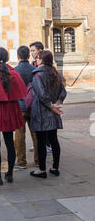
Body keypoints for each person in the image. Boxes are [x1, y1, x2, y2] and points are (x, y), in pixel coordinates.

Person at [0, 48, 27, 185]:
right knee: (10, 142)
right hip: (10, 109)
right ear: (8, 58)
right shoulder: (14, 73)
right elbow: (21, 91)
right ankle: (9, 174)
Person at [30, 50, 67, 179]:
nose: (36, 59)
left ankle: (42, 170)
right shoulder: (55, 73)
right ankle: (55, 167)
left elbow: (41, 94)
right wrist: (57, 103)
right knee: (53, 139)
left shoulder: (38, 75)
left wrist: (51, 106)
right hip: (53, 112)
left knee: (41, 141)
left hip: (41, 112)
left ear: (41, 60)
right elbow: (63, 92)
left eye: (38, 58)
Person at [14, 46, 38, 169]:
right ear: (28, 56)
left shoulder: (14, 71)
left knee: (19, 135)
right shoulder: (35, 69)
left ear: (18, 57)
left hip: (19, 106)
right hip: (33, 106)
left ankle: (21, 161)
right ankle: (38, 159)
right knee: (36, 134)